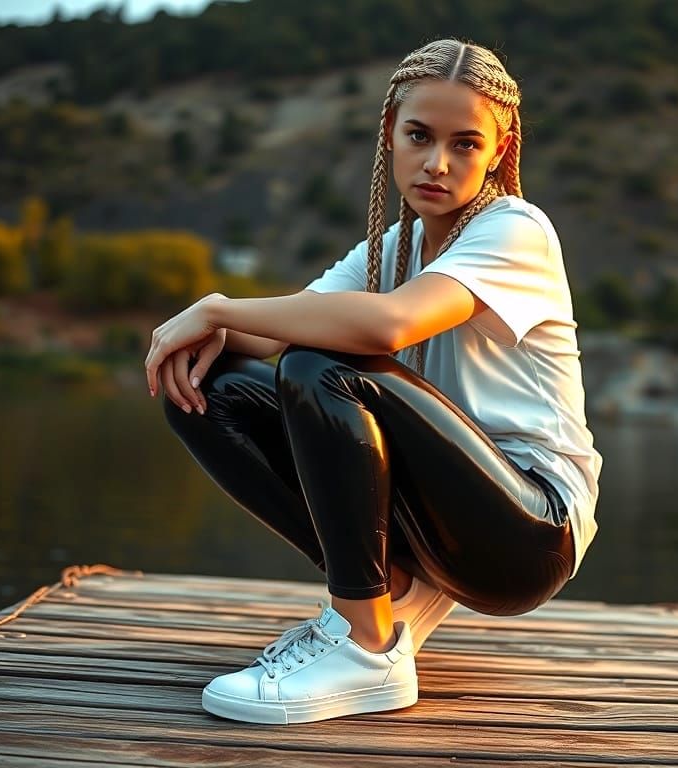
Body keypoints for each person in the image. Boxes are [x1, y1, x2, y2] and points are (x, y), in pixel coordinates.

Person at [144, 38, 602, 726]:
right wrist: (200, 333)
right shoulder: (399, 246)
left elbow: (385, 327)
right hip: (446, 517)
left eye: (464, 144)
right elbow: (277, 329)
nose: (437, 162)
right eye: (418, 135)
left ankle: (365, 648)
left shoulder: (516, 229)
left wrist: (216, 307)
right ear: (390, 131)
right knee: (214, 389)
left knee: (322, 368)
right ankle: (383, 593)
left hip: (531, 528)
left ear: (499, 152)